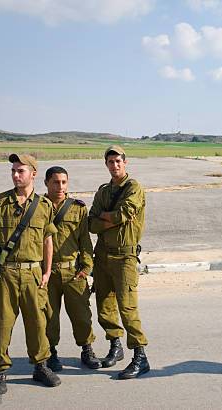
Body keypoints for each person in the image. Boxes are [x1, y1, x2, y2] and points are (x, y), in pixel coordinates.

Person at [0, 154, 61, 394]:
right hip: (5, 274)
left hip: (33, 273)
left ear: (33, 174)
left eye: (20, 171)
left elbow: (48, 240)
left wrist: (46, 271)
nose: (15, 175)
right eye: (13, 171)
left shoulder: (44, 205)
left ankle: (40, 366)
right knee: (1, 325)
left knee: (38, 323)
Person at [88, 146, 149, 379]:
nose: (115, 165)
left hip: (125, 256)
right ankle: (116, 345)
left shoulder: (133, 187)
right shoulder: (103, 191)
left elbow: (124, 213)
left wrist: (106, 216)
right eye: (110, 162)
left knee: (127, 307)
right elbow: (90, 224)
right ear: (106, 164)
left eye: (118, 161)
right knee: (104, 305)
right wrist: (111, 218)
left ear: (125, 163)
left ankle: (140, 357)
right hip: (102, 254)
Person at [43, 166, 102, 371]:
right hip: (46, 273)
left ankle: (87, 349)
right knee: (48, 316)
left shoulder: (77, 208)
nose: (60, 186)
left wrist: (86, 268)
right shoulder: (37, 207)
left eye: (64, 182)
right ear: (46, 183)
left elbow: (85, 240)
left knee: (81, 315)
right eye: (55, 182)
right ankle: (50, 353)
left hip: (73, 271)